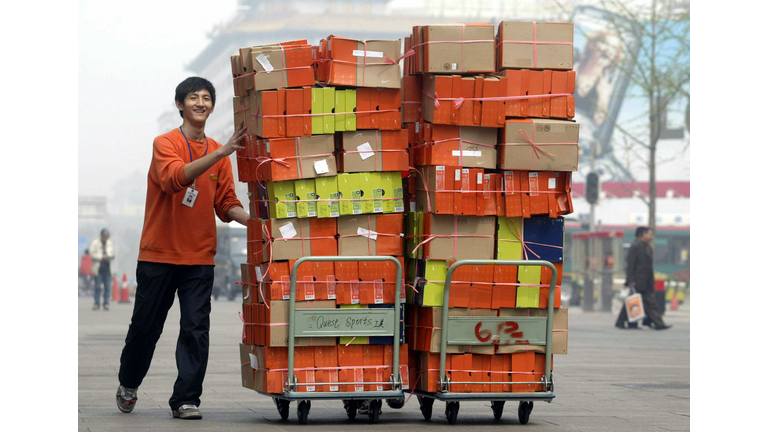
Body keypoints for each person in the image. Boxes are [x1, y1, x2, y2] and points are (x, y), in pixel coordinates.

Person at [115, 77, 248, 420]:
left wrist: (254, 220)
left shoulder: (220, 154)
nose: (200, 103)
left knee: (195, 329)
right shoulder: (166, 143)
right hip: (158, 255)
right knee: (146, 328)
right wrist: (219, 152)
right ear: (180, 104)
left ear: (212, 106)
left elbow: (226, 203)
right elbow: (174, 179)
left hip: (199, 257)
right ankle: (129, 382)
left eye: (206, 98)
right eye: (193, 98)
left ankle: (187, 399)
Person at [615, 227, 672, 331]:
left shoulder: (648, 248)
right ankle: (658, 323)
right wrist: (630, 280)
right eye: (649, 234)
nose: (651, 237)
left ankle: (624, 322)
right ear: (642, 234)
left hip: (646, 282)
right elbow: (630, 265)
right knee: (644, 302)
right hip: (637, 281)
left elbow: (648, 267)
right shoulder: (635, 247)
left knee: (638, 302)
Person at [89, 229, 115, 310]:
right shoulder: (95, 243)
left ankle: (106, 303)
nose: (106, 238)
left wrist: (111, 256)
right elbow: (91, 254)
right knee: (97, 287)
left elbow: (112, 253)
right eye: (105, 236)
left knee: (107, 287)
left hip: (107, 268)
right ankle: (96, 303)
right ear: (101, 236)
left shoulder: (109, 243)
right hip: (98, 268)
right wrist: (101, 256)